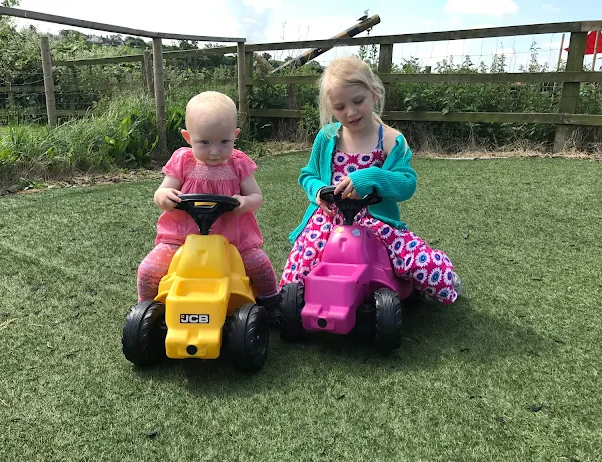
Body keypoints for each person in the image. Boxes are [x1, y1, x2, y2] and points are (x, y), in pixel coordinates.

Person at [280, 57, 461, 304]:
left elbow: (406, 183)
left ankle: (447, 276)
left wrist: (371, 177)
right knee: (294, 280)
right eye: (340, 106)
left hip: (376, 223)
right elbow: (307, 175)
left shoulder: (390, 139)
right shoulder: (327, 136)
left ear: (374, 93)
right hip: (328, 221)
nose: (351, 112)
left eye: (358, 101)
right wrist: (319, 190)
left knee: (428, 272)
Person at [137, 91, 280, 320]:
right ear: (187, 137)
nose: (215, 151)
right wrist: (164, 197)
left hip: (233, 240)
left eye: (224, 142)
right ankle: (146, 311)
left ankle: (272, 303)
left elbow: (256, 196)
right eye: (204, 142)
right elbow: (161, 192)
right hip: (181, 239)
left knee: (260, 265)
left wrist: (245, 202)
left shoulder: (239, 163)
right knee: (149, 270)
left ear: (235, 135)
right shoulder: (183, 161)